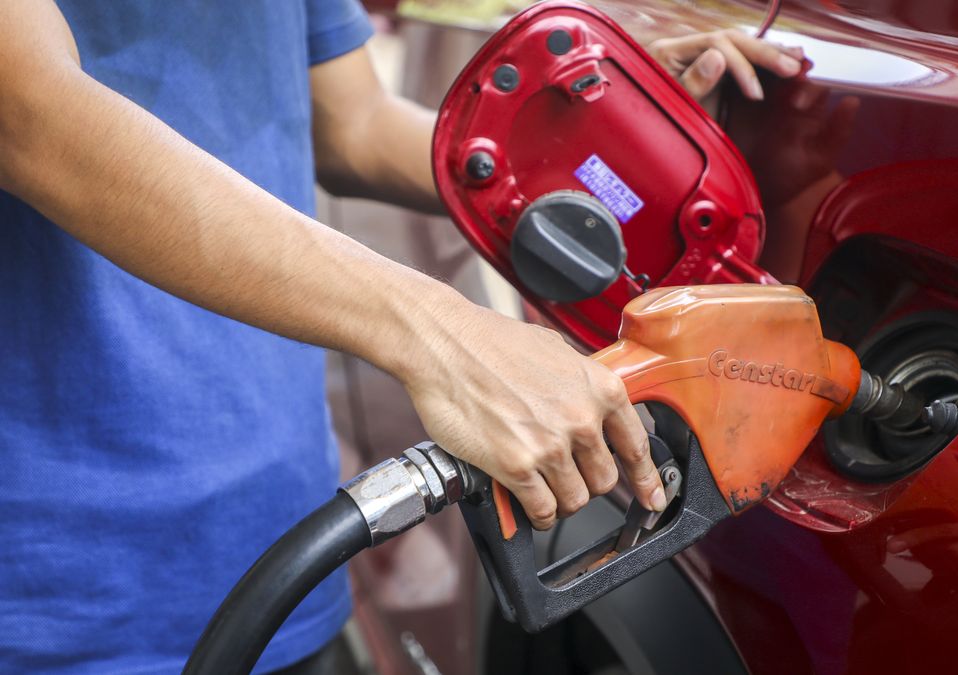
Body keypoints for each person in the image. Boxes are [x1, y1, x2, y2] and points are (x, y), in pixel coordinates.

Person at [0, 1, 805, 672]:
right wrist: (443, 335)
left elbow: (352, 124)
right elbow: (28, 115)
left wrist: (623, 129)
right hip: (55, 584)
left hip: (274, 539)